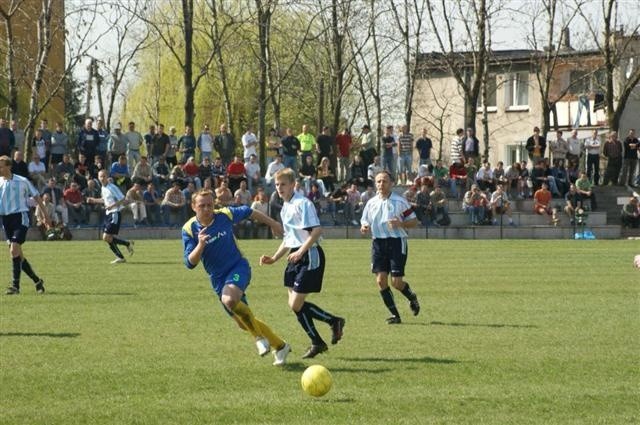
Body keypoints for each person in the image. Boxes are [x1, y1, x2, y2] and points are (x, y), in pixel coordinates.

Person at [183, 189, 291, 365]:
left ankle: (259, 339)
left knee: (229, 299)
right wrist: (201, 245)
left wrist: (273, 224)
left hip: (238, 267)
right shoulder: (188, 229)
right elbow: (189, 262)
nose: (206, 209)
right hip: (218, 279)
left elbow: (250, 211)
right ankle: (280, 346)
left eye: (210, 205)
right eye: (202, 205)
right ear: (193, 206)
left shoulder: (224, 214)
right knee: (243, 322)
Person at [259, 168, 345, 359]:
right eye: (277, 185)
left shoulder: (302, 203)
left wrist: (300, 251)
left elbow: (316, 231)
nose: (280, 188)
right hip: (295, 255)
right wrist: (274, 258)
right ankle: (325, 332)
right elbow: (288, 238)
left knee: (297, 303)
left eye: (283, 184)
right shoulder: (285, 207)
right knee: (293, 304)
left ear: (292, 184)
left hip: (310, 254)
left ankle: (325, 331)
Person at [360, 171, 421, 324]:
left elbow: (414, 222)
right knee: (381, 281)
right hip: (378, 243)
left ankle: (412, 297)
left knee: (396, 282)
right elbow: (364, 221)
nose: (381, 184)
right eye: (378, 181)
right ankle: (395, 315)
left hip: (396, 242)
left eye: (384, 181)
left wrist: (400, 224)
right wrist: (364, 227)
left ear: (391, 183)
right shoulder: (371, 203)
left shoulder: (400, 201)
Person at [1, 155, 48, 295]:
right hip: (6, 220)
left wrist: (45, 215)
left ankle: (15, 286)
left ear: (9, 167)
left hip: (20, 218)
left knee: (14, 250)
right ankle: (37, 281)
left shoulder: (22, 181)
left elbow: (36, 196)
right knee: (18, 255)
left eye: (1, 166)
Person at [96, 169, 135, 264]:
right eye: (100, 176)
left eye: (104, 176)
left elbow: (122, 198)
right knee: (107, 238)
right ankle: (126, 246)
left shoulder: (111, 187)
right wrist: (93, 200)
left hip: (115, 213)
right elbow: (105, 200)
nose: (102, 178)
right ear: (98, 177)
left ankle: (121, 255)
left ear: (107, 176)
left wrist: (111, 206)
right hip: (108, 214)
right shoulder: (103, 188)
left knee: (106, 237)